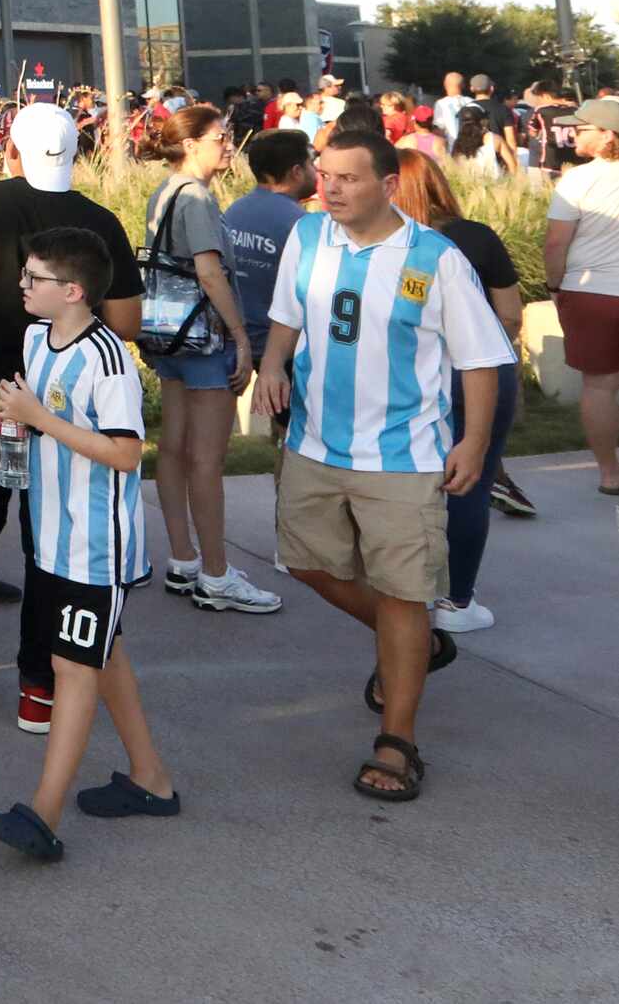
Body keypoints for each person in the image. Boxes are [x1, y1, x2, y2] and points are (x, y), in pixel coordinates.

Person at [258, 132, 511, 800]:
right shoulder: (307, 237)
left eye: (346, 178)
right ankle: (413, 644)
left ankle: (396, 743)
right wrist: (271, 363)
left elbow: (481, 358)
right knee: (307, 565)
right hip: (312, 445)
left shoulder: (435, 259)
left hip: (403, 458)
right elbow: (286, 314)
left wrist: (474, 444)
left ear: (388, 185)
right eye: (323, 175)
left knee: (403, 594)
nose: (329, 188)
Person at [0, 103, 142, 730]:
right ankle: (38, 683)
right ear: (78, 151)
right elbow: (126, 323)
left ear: (8, 149)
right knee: (47, 537)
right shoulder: (97, 222)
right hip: (63, 403)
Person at [0, 227, 177, 861]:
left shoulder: (109, 360)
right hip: (51, 538)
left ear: (73, 290)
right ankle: (151, 779)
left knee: (72, 667)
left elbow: (125, 452)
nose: (22, 285)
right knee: (101, 655)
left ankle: (43, 813)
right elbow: (38, 419)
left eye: (33, 278)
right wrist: (11, 412)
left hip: (95, 546)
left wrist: (41, 419)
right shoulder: (37, 338)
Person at [137, 107, 281, 613]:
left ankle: (183, 559)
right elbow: (209, 272)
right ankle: (217, 574)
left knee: (173, 448)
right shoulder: (197, 197)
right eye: (220, 138)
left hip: (169, 336)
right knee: (206, 458)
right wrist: (240, 336)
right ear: (192, 143)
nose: (228, 146)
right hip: (203, 338)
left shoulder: (167, 189)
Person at [389, 150, 522, 630]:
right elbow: (509, 312)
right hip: (476, 371)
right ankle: (456, 601)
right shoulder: (475, 236)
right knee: (471, 482)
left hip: (409, 374)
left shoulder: (385, 243)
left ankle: (403, 591)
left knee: (403, 482)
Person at [223, 127, 316, 480]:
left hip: (245, 343)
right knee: (298, 439)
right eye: (310, 162)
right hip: (285, 349)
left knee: (282, 434)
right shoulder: (299, 224)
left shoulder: (235, 212)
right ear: (295, 171)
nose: (314, 171)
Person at [544, 96, 619, 495]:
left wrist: (553, 287)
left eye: (583, 127)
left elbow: (556, 245)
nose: (572, 131)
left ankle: (610, 474)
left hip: (591, 293)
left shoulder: (578, 180)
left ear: (607, 135)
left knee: (600, 385)